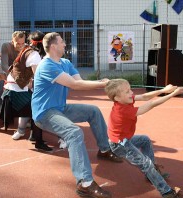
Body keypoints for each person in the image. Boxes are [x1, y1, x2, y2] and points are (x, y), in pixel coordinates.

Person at [31, 32, 122, 198]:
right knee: (73, 132)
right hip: (44, 113)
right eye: (62, 42)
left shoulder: (65, 62)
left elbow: (79, 81)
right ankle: (84, 183)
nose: (65, 44)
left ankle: (104, 149)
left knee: (93, 111)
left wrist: (101, 84)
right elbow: (74, 85)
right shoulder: (46, 66)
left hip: (60, 108)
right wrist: (101, 84)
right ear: (53, 46)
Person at [104, 79, 183, 198]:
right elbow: (151, 104)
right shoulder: (123, 110)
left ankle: (151, 174)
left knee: (145, 140)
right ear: (117, 98)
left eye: (130, 89)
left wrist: (164, 90)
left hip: (123, 140)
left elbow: (144, 97)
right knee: (146, 164)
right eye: (127, 91)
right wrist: (172, 94)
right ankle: (167, 193)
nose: (131, 93)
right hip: (120, 145)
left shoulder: (124, 100)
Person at [1, 30, 52, 151]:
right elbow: (38, 76)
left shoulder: (28, 50)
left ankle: (27, 133)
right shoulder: (33, 54)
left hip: (15, 87)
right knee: (37, 111)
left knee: (29, 110)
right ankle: (37, 140)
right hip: (16, 88)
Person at [0, 31, 31, 136]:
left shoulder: (27, 48)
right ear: (12, 41)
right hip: (9, 74)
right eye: (18, 43)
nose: (20, 46)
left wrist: (24, 79)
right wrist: (15, 78)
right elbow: (4, 65)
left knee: (30, 92)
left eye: (22, 43)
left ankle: (27, 118)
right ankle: (2, 114)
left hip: (23, 76)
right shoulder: (6, 46)